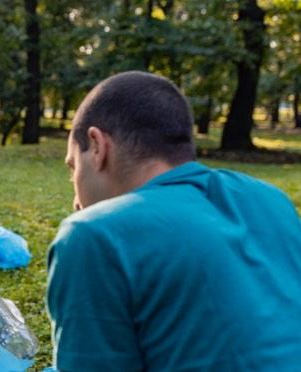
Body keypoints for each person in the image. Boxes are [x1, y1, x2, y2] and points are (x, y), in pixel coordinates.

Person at [46, 71, 301, 371]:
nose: (75, 193)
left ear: (98, 146)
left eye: (72, 166)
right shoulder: (271, 199)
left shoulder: (94, 235)